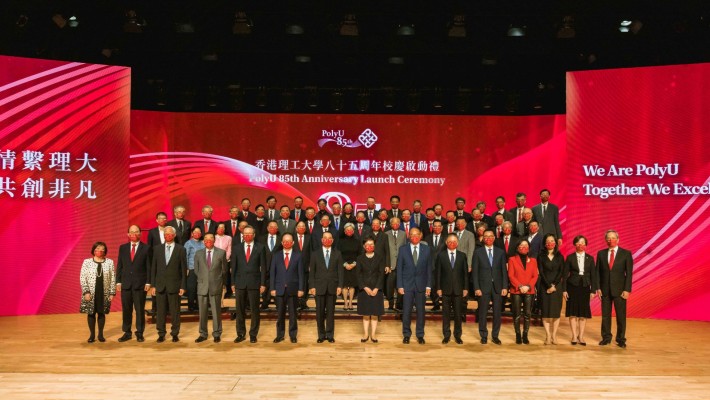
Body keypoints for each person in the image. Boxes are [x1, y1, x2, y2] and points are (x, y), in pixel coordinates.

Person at [596, 229, 633, 348]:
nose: (610, 240)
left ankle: (621, 339)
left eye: (612, 238)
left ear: (618, 239)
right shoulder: (601, 254)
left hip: (620, 291)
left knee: (620, 316)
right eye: (608, 238)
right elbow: (597, 273)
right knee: (605, 316)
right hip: (605, 290)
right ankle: (606, 337)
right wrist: (598, 288)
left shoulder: (626, 254)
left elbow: (629, 274)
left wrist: (627, 290)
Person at [150, 226, 187, 342]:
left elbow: (183, 269)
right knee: (160, 312)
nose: (168, 235)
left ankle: (175, 333)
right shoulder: (157, 249)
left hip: (174, 286)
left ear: (174, 235)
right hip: (160, 285)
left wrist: (183, 286)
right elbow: (153, 268)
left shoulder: (181, 249)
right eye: (166, 234)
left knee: (175, 312)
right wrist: (153, 285)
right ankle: (161, 333)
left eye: (170, 234)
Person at [396, 227, 432, 344]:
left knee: (421, 312)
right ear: (409, 236)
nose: (414, 236)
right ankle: (406, 334)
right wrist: (400, 285)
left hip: (421, 285)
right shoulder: (403, 249)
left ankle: (420, 335)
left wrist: (428, 286)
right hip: (407, 286)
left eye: (416, 234)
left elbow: (429, 269)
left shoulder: (426, 249)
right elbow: (399, 269)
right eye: (412, 234)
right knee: (406, 311)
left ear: (421, 235)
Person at [472, 229, 508, 345]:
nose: (488, 238)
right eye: (486, 236)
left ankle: (495, 336)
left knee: (497, 313)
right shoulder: (478, 252)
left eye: (490, 236)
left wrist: (504, 287)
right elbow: (475, 272)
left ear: (494, 238)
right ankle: (483, 335)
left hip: (497, 287)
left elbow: (504, 271)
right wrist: (476, 287)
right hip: (483, 287)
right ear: (483, 238)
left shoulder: (500, 252)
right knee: (482, 312)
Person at [231, 226, 267, 343]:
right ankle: (240, 333)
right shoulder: (236, 248)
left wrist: (262, 283)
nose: (247, 236)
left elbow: (263, 267)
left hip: (254, 283)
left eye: (249, 234)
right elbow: (234, 267)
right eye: (245, 234)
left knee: (254, 310)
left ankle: (253, 334)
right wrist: (232, 283)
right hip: (240, 283)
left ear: (254, 235)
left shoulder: (260, 247)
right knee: (240, 310)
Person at [116, 226, 151, 343]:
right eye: (131, 232)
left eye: (136, 232)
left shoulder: (146, 248)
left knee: (140, 309)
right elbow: (120, 265)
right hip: (125, 284)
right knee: (126, 309)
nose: (134, 234)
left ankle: (139, 332)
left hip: (140, 284)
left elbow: (149, 267)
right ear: (128, 234)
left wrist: (148, 282)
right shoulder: (123, 248)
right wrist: (118, 281)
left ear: (140, 234)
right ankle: (127, 332)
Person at [309, 231, 344, 343]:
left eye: (330, 238)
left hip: (333, 287)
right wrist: (312, 286)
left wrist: (340, 286)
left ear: (332, 240)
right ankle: (321, 335)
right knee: (319, 313)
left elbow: (340, 271)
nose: (327, 240)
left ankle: (329, 334)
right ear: (321, 240)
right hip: (319, 287)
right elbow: (312, 272)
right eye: (325, 238)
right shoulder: (315, 254)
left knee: (330, 312)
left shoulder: (337, 253)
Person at [434, 234, 469, 344]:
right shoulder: (441, 255)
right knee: (446, 314)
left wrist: (465, 288)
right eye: (450, 241)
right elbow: (438, 273)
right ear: (446, 243)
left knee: (458, 314)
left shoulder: (462, 256)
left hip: (459, 289)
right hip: (445, 289)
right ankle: (446, 335)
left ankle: (458, 335)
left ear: (457, 243)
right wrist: (438, 288)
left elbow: (465, 274)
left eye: (454, 241)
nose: (452, 243)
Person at [270, 233, 304, 343]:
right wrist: (272, 288)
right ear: (281, 243)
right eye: (284, 241)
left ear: (293, 243)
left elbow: (301, 274)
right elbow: (272, 273)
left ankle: (293, 335)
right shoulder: (276, 255)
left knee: (293, 314)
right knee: (280, 314)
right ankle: (280, 335)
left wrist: (301, 289)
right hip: (279, 289)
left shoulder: (298, 256)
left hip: (293, 289)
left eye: (289, 241)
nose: (287, 243)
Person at [562, 235, 596, 346]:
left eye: (583, 243)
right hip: (572, 286)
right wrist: (564, 290)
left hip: (585, 287)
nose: (580, 245)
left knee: (583, 313)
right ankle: (573, 336)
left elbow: (593, 275)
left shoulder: (590, 258)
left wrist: (593, 291)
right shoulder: (570, 257)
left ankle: (581, 336)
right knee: (573, 313)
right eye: (578, 243)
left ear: (586, 245)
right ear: (575, 244)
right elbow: (565, 275)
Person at [194, 234, 228, 343]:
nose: (208, 241)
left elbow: (224, 270)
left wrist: (216, 279)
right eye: (206, 239)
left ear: (214, 240)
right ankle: (203, 334)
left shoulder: (221, 253)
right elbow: (196, 270)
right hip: (202, 285)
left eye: (210, 239)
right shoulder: (198, 253)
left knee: (216, 311)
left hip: (215, 285)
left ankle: (217, 333)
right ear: (203, 241)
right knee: (202, 312)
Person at [80, 242, 116, 343]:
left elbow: (113, 277)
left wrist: (112, 292)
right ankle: (92, 335)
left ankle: (100, 334)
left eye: (102, 248)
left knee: (101, 313)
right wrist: (86, 292)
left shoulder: (109, 262)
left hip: (103, 292)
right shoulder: (87, 262)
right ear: (94, 250)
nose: (100, 250)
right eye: (98, 248)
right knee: (91, 313)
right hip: (90, 292)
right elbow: (83, 277)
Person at [507, 240, 539, 345]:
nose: (523, 247)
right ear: (517, 247)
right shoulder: (512, 259)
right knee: (516, 314)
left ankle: (525, 335)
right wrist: (520, 286)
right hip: (516, 290)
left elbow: (535, 276)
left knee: (527, 314)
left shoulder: (533, 260)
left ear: (529, 248)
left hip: (529, 291)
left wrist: (528, 286)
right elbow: (511, 275)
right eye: (521, 245)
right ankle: (518, 335)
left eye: (526, 245)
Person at [357, 237, 386, 343]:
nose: (370, 246)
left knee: (374, 314)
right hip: (364, 289)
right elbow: (358, 274)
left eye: (372, 244)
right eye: (367, 244)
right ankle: (365, 334)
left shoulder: (380, 257)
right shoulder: (360, 258)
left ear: (375, 246)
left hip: (376, 289)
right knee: (365, 314)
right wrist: (364, 287)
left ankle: (373, 334)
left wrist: (377, 288)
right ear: (364, 246)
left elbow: (381, 274)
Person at [537, 233, 564, 345]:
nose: (550, 243)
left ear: (556, 243)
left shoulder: (560, 256)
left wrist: (554, 285)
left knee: (556, 313)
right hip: (544, 286)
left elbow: (561, 272)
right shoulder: (540, 256)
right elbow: (541, 272)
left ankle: (554, 335)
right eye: (548, 241)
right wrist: (548, 286)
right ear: (544, 243)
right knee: (546, 312)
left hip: (557, 287)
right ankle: (548, 335)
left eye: (552, 240)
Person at [338, 223, 361, 311]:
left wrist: (354, 264)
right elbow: (338, 254)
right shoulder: (340, 241)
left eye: (351, 230)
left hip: (354, 265)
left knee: (351, 286)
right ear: (344, 231)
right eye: (347, 230)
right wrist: (345, 264)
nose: (349, 231)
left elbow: (360, 254)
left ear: (353, 231)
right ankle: (345, 303)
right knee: (344, 285)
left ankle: (350, 302)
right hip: (343, 265)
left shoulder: (357, 241)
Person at [385, 217, 406, 310]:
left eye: (397, 222)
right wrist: (387, 264)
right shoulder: (386, 234)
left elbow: (405, 248)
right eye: (393, 223)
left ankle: (399, 305)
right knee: (389, 287)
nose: (395, 224)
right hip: (390, 265)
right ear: (390, 224)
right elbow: (385, 251)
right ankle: (390, 304)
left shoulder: (404, 234)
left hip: (401, 265)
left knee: (400, 286)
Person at [183, 227, 205, 312]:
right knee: (191, 288)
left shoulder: (203, 243)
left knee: (199, 288)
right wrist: (187, 268)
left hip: (202, 269)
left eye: (199, 232)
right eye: (195, 232)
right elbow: (185, 256)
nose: (197, 233)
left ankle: (198, 305)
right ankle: (191, 305)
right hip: (192, 268)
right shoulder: (188, 243)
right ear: (192, 233)